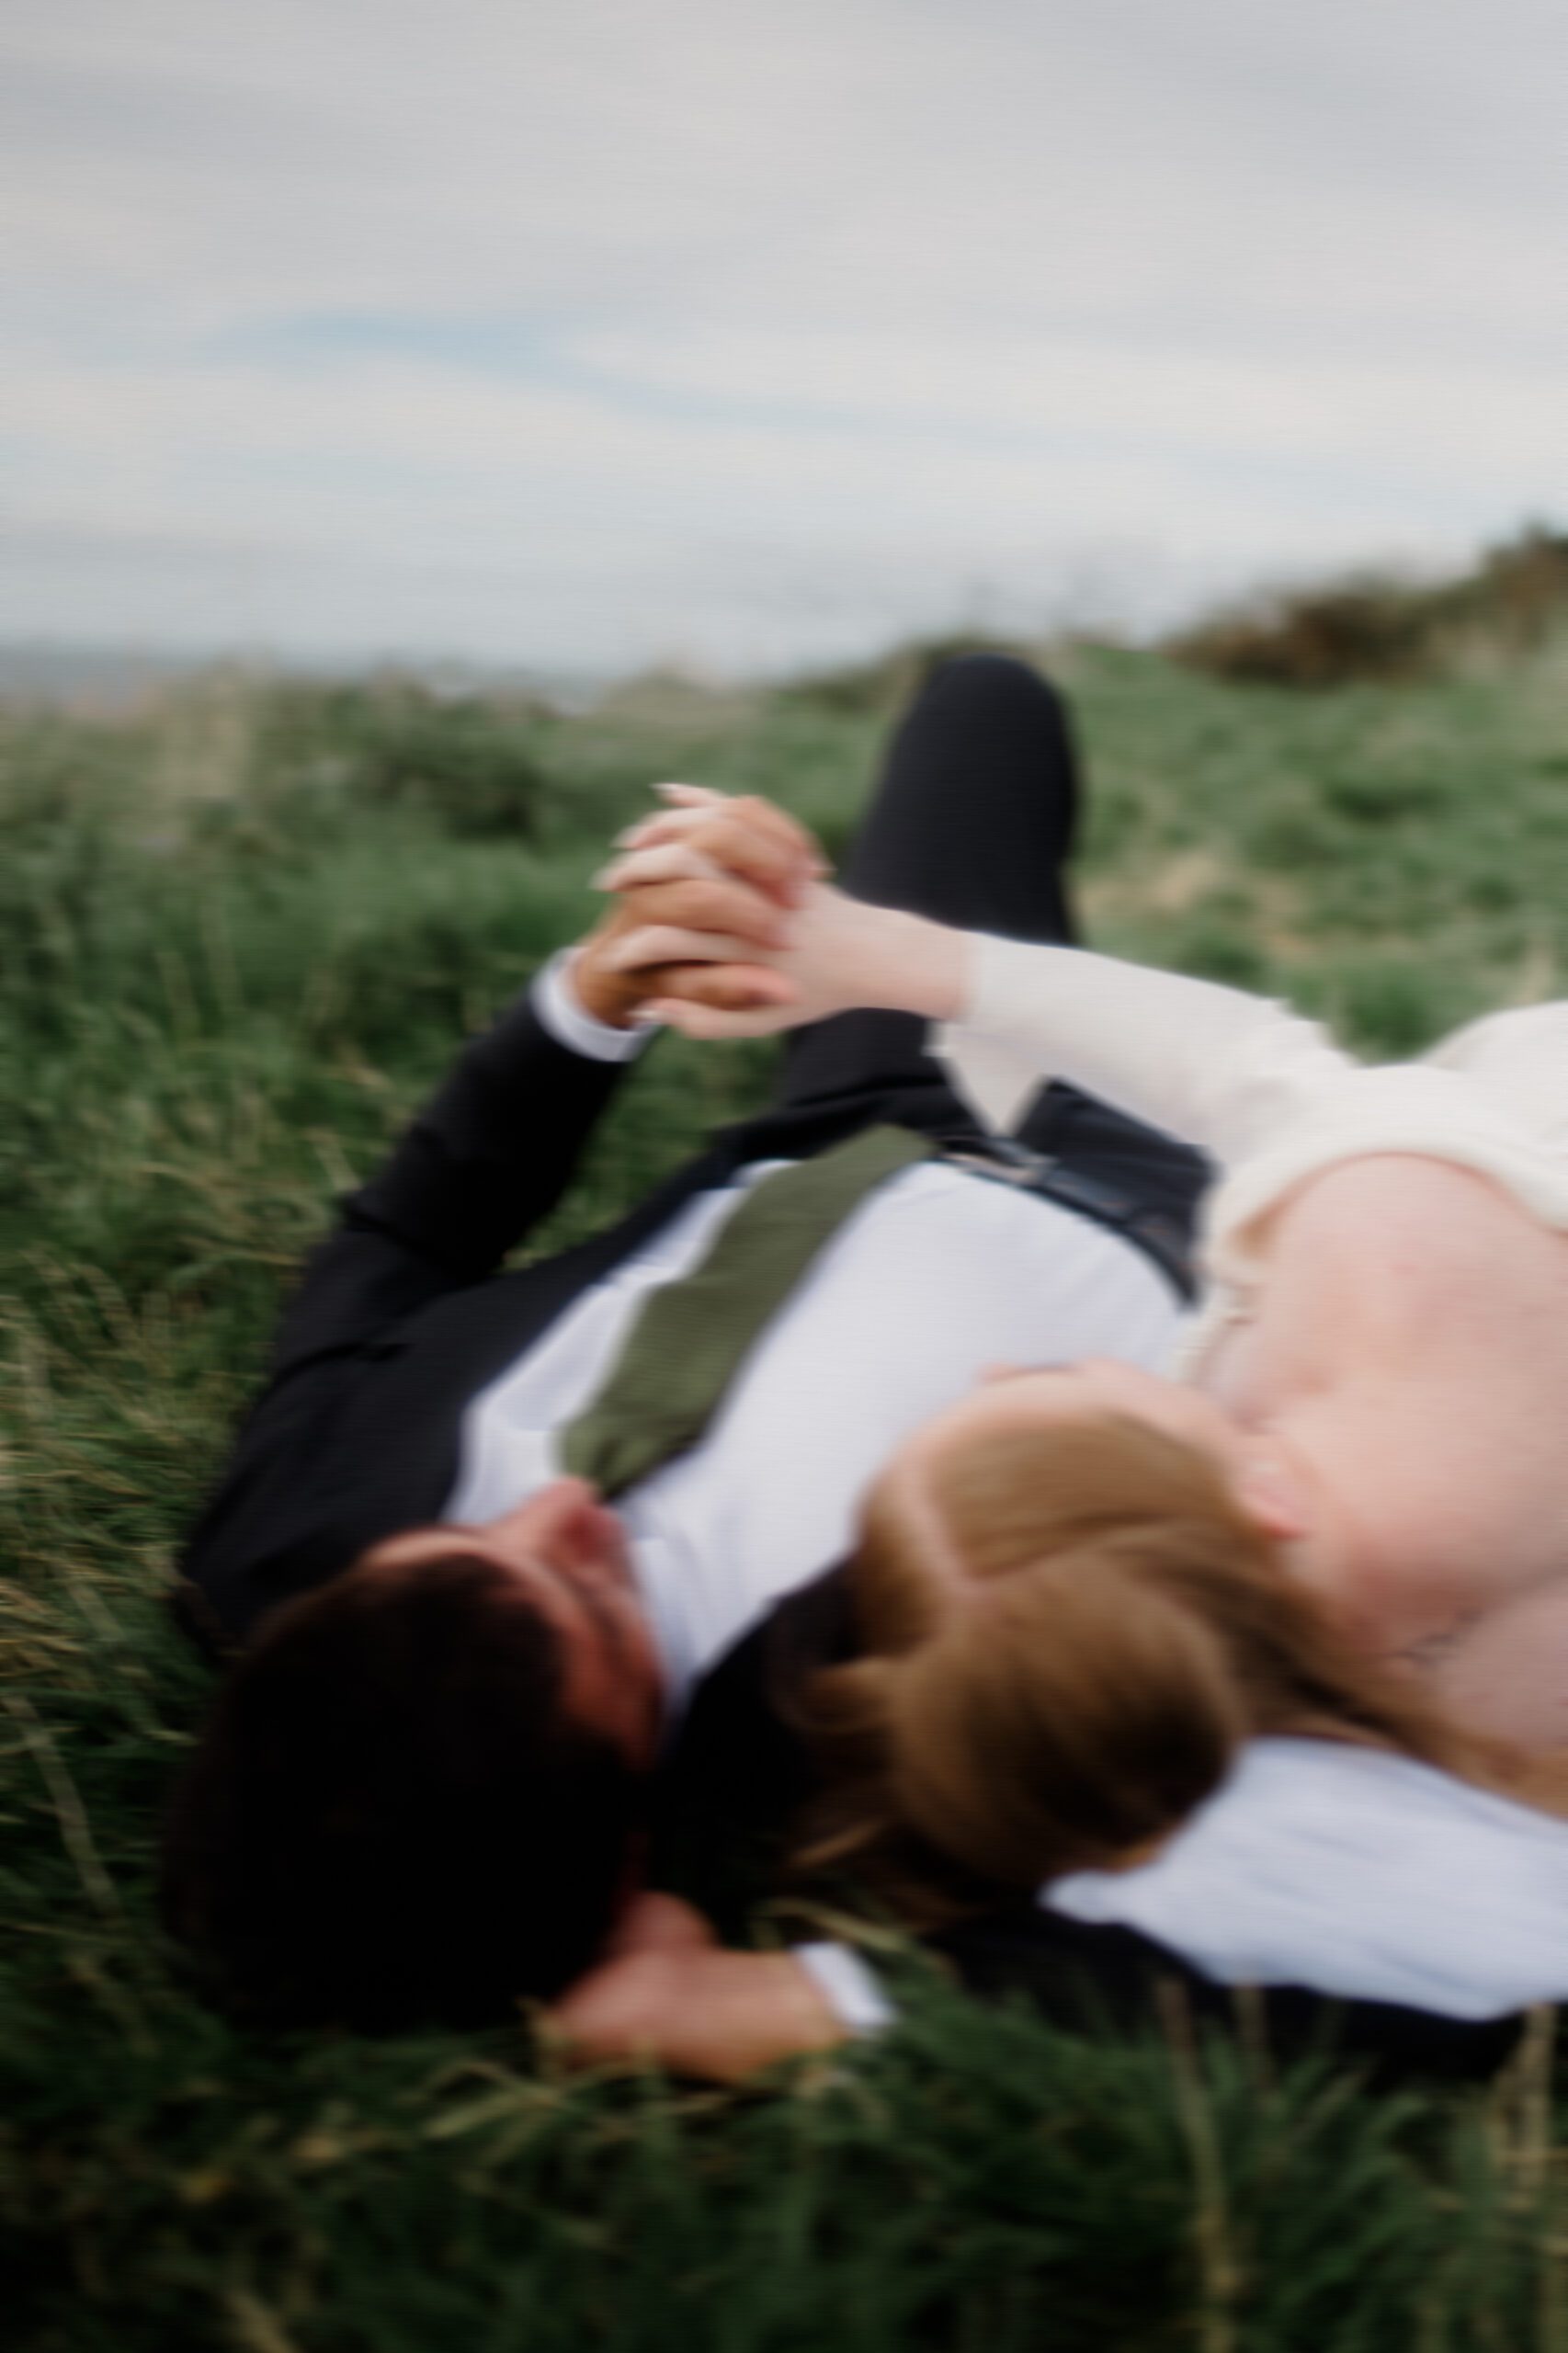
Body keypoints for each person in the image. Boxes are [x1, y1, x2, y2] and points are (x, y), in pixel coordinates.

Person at [163, 654, 1210, 2045]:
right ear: (628, 1854)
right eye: (593, 1602)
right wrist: (776, 2001)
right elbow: (1259, 1943)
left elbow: (402, 1245)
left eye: (475, 1541)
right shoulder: (842, 1774)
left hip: (890, 1095)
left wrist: (596, 1000)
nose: (560, 1510)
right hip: (1218, 1226)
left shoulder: (284, 1533)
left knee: (979, 708)